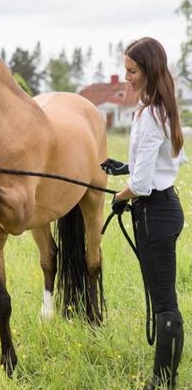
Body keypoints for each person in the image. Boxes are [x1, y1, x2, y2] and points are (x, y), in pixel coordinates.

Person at [101, 37, 186, 389]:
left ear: (148, 69)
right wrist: (126, 167)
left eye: (132, 71)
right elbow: (170, 159)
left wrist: (122, 195)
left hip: (154, 212)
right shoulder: (156, 107)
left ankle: (162, 382)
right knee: (163, 297)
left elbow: (143, 184)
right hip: (161, 210)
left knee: (165, 303)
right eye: (126, 70)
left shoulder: (151, 115)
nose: (127, 77)